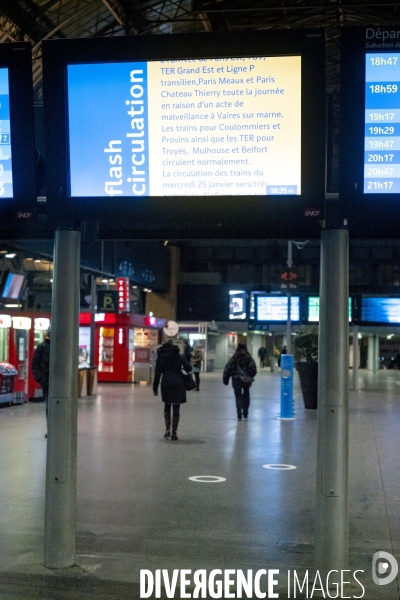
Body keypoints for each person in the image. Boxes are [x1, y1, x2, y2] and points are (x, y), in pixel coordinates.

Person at [153, 340, 192, 441]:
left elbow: (157, 374)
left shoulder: (161, 357)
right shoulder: (179, 356)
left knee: (167, 406)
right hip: (178, 382)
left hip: (166, 382)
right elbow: (188, 368)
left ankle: (167, 430)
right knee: (176, 407)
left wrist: (155, 387)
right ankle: (174, 433)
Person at [223, 343, 257, 421]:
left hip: (236, 379)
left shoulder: (234, 358)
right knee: (246, 394)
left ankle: (239, 414)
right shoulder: (249, 358)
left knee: (238, 396)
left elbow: (227, 369)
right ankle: (245, 412)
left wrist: (226, 379)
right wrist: (250, 376)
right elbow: (253, 369)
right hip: (246, 380)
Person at [32, 330, 50, 437]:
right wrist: (40, 378)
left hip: (52, 382)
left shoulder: (60, 346)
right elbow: (35, 364)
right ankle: (51, 429)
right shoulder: (42, 347)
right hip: (46, 382)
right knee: (49, 407)